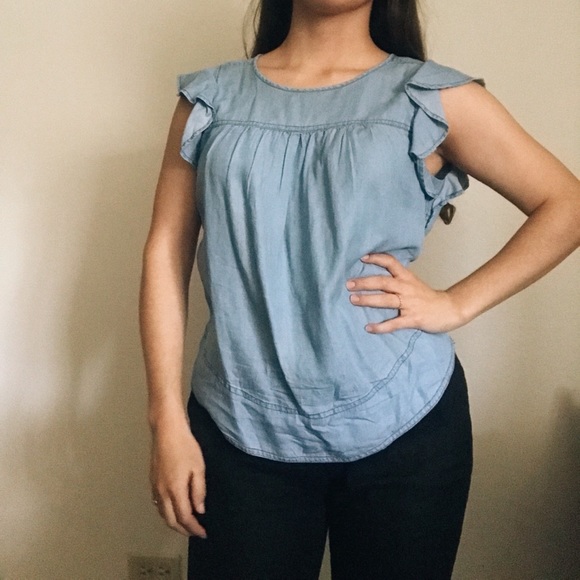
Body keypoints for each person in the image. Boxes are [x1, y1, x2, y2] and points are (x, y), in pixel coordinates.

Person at [139, 1, 580, 578]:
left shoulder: (430, 97)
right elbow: (165, 253)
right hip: (237, 428)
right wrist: (166, 419)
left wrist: (456, 303)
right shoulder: (208, 100)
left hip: (407, 430)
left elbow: (565, 205)